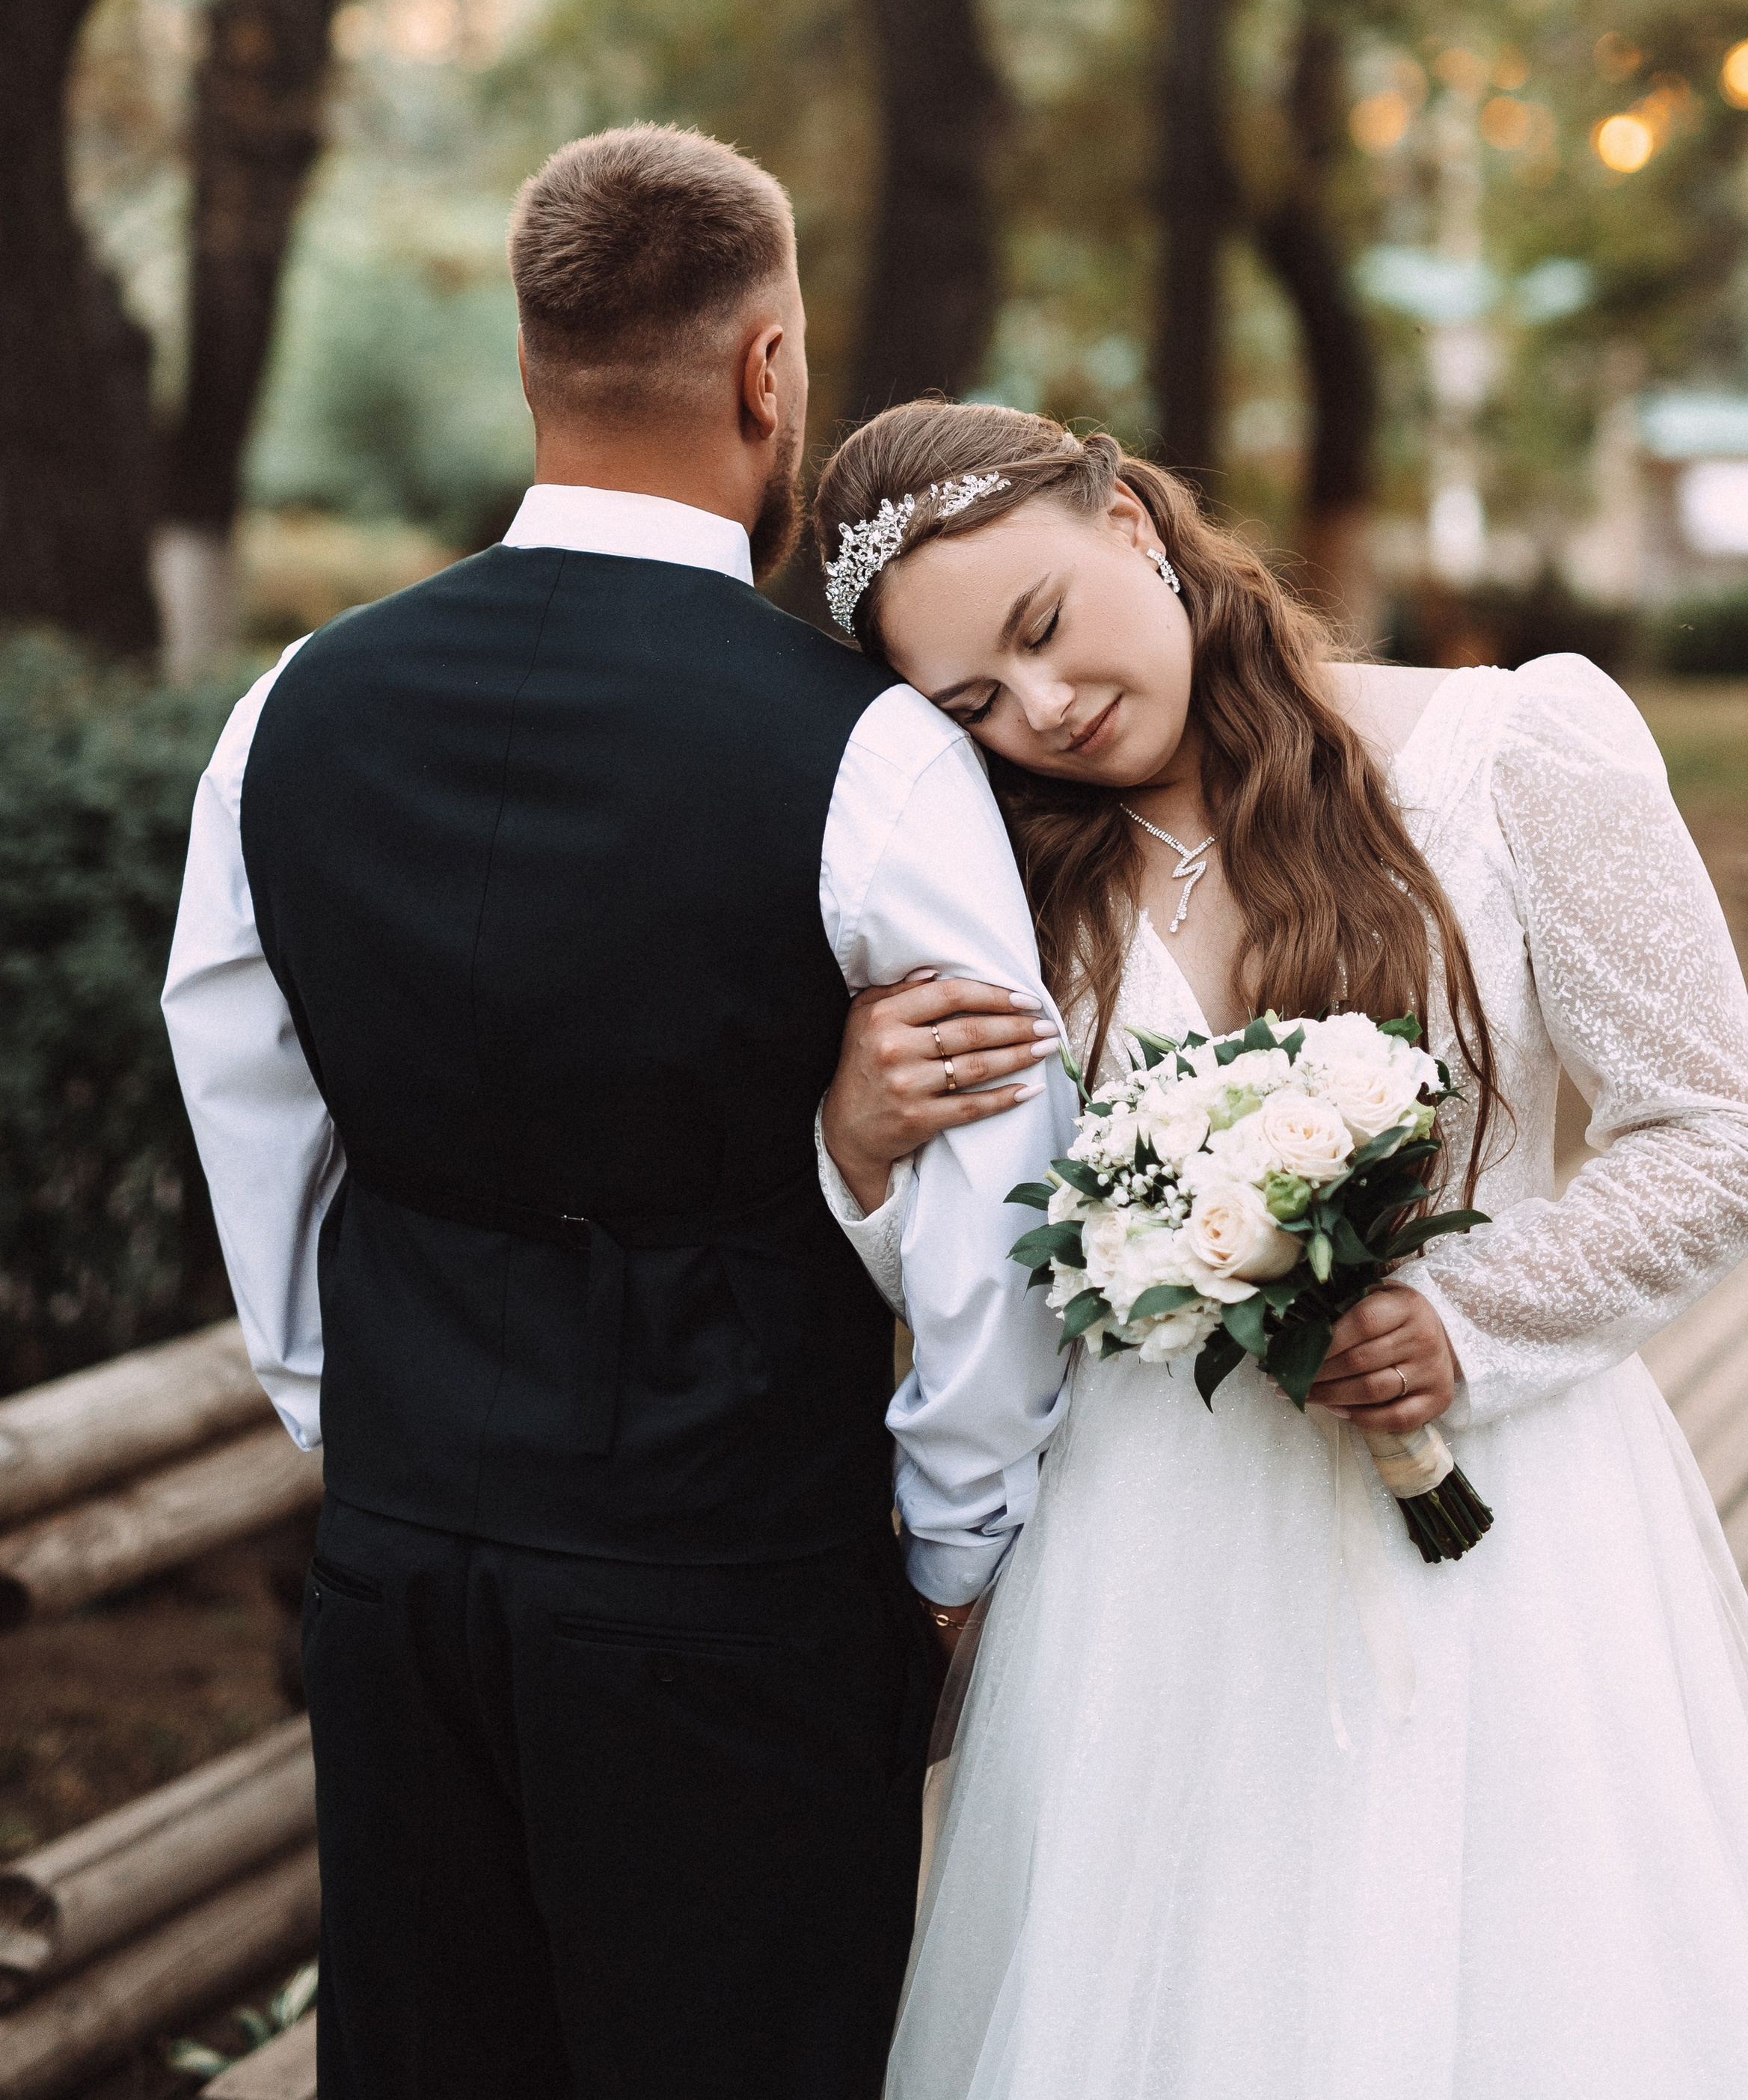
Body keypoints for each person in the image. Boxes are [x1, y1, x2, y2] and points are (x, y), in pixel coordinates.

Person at [812, 400, 1748, 2100]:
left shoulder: (1511, 752)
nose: (1041, 709)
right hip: (1147, 1562)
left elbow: (1714, 1135)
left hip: (1497, 1541)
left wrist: (1457, 1318)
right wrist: (864, 1150)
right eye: (973, 704)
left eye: (1040, 630)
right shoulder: (997, 883)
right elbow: (992, 1281)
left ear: (1128, 522)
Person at [161, 127, 1073, 2100]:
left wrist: (368, 1423)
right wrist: (951, 1546)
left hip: (406, 1563)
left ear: (531, 366)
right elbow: (1005, 1182)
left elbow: (243, 1096)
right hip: (737, 1577)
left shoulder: (291, 709)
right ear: (770, 370)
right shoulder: (876, 754)